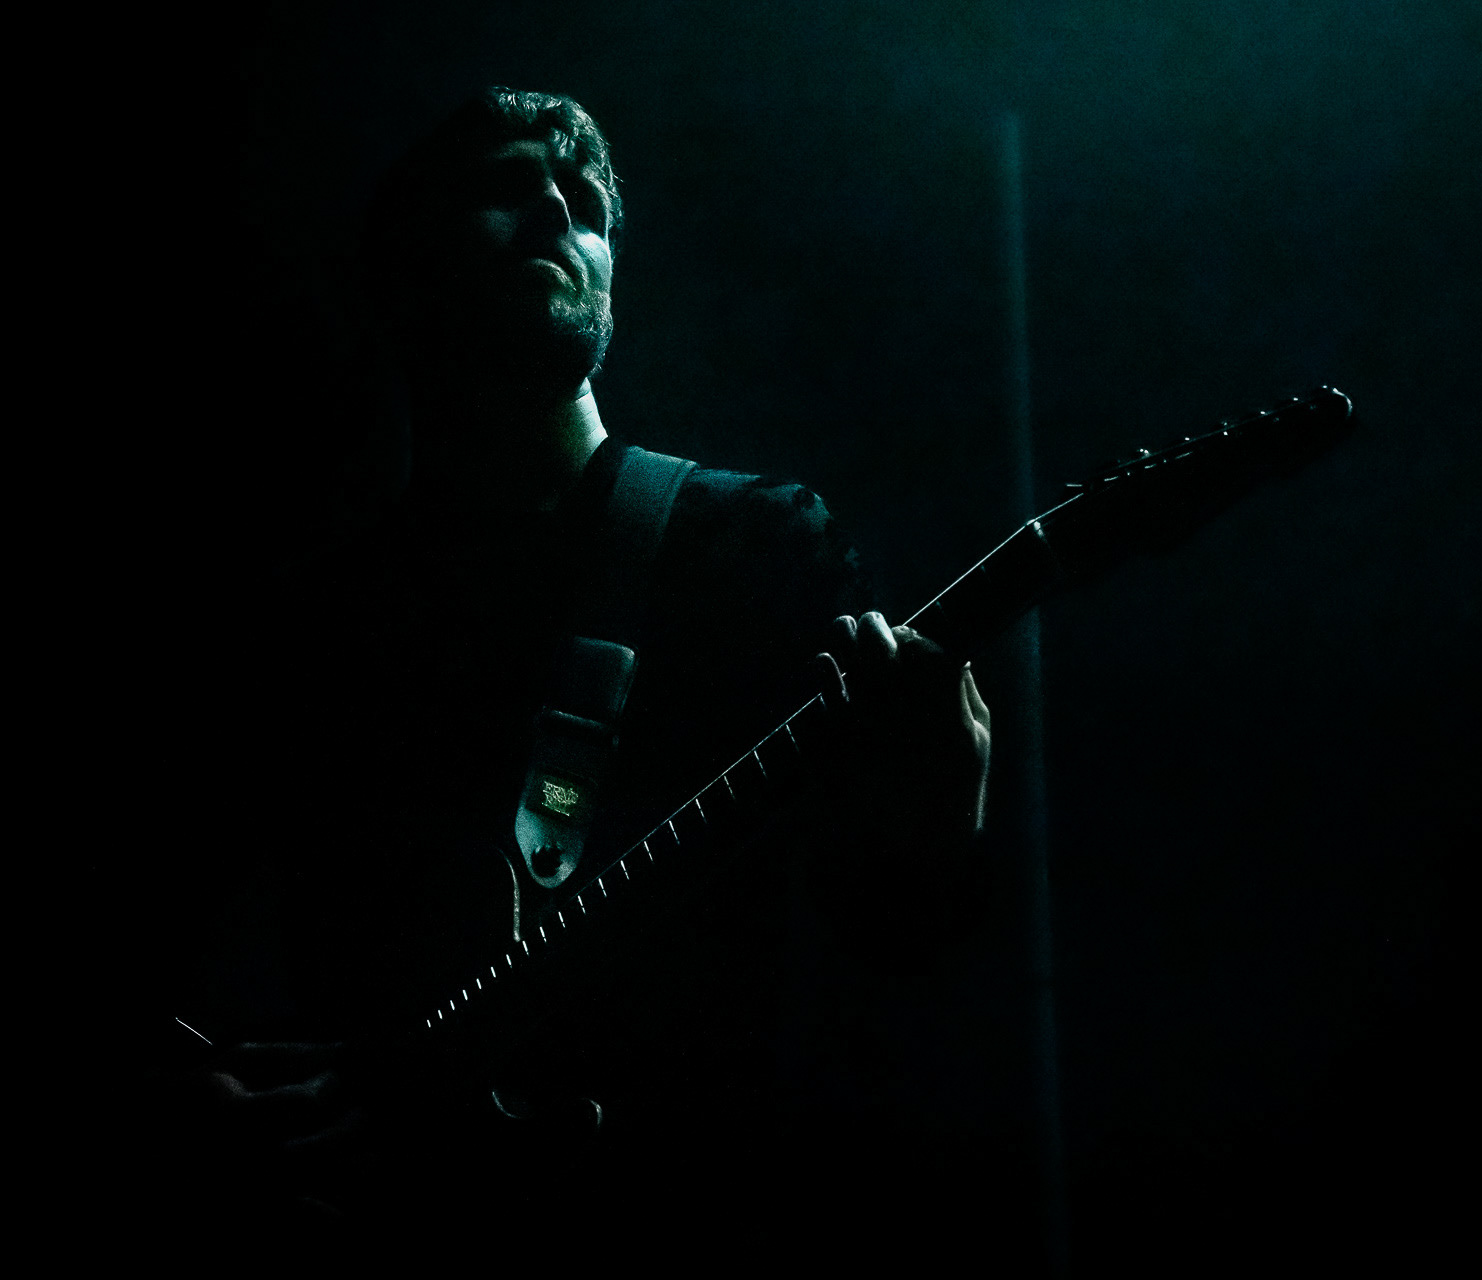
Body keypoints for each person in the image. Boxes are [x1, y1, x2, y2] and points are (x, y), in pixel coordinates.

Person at [155, 87, 993, 1248]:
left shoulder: (751, 544)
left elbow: (891, 943)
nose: (559, 209)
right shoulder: (312, 625)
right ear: (401, 272)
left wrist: (945, 803)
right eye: (508, 186)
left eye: (589, 204)